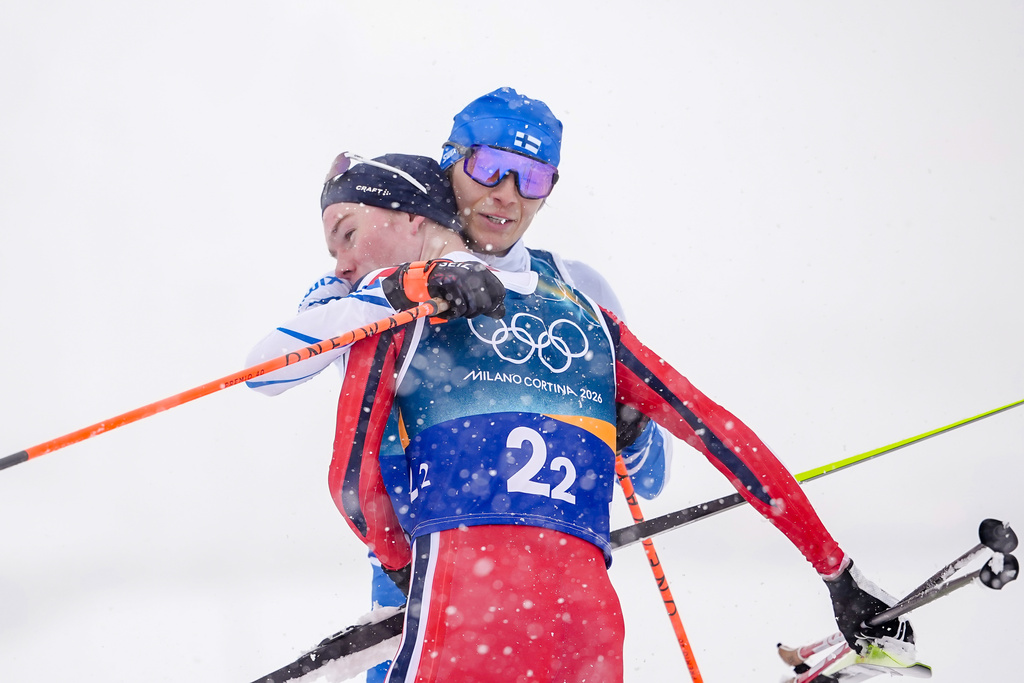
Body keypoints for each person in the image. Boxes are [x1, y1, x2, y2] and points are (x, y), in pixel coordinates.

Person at [249, 153, 914, 681]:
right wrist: (837, 569)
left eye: (346, 235)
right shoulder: (369, 298)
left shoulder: (427, 311)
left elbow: (348, 481)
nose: (338, 261)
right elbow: (722, 432)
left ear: (415, 218)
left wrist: (404, 568)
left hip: (450, 603)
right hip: (579, 622)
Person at [250, 87, 672, 683]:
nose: (507, 193)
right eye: (488, 166)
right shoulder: (374, 278)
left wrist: (634, 431)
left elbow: (652, 481)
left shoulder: (578, 290)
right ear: (450, 162)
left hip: (555, 611)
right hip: (418, 600)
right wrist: (395, 293)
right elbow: (266, 373)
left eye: (532, 176)